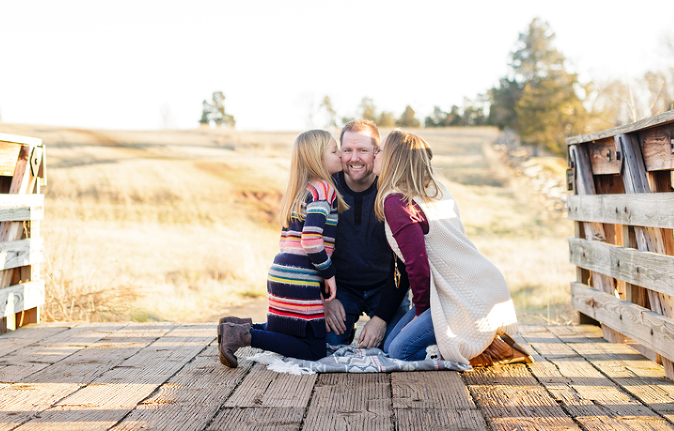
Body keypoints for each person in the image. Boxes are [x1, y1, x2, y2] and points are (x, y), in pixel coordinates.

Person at [375, 129, 532, 366]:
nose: (374, 155)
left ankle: (484, 350)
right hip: (475, 286)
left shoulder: (397, 203)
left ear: (392, 158)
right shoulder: (434, 192)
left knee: (399, 352)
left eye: (379, 150)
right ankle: (483, 343)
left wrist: (419, 313)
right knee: (388, 345)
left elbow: (417, 265)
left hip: (461, 296)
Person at [218, 129, 344, 367]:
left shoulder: (301, 190)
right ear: (318, 159)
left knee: (289, 328)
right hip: (301, 279)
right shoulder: (323, 189)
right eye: (334, 151)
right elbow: (311, 240)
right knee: (314, 350)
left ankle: (234, 326)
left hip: (282, 272)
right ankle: (243, 336)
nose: (340, 155)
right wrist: (329, 273)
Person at [324, 120, 409, 349]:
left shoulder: (393, 191)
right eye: (347, 150)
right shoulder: (325, 189)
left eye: (363, 150)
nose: (354, 158)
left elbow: (406, 260)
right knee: (327, 348)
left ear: (377, 153)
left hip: (386, 287)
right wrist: (325, 300)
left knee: (396, 349)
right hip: (340, 289)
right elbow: (307, 248)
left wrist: (381, 319)